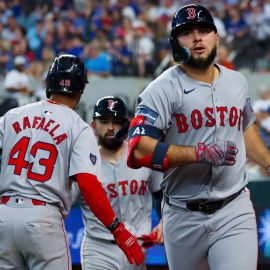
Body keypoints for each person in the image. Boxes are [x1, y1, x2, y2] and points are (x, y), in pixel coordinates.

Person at [127, 4, 270, 270]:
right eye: (187, 32)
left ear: (216, 36)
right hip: (182, 213)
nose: (197, 38)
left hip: (233, 208)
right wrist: (197, 153)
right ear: (175, 42)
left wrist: (268, 162)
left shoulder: (237, 81)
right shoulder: (161, 89)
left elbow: (246, 125)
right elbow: (138, 151)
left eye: (204, 30)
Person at [0, 54, 144, 270]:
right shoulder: (79, 127)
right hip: (43, 217)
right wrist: (117, 228)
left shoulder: (12, 115)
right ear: (81, 90)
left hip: (3, 214)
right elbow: (87, 183)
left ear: (49, 82)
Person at [72, 96, 164, 270]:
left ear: (126, 125)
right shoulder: (83, 163)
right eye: (104, 121)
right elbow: (64, 203)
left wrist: (164, 222)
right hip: (99, 248)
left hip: (138, 246)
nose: (110, 128)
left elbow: (160, 195)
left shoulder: (141, 154)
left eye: (116, 122)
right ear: (93, 125)